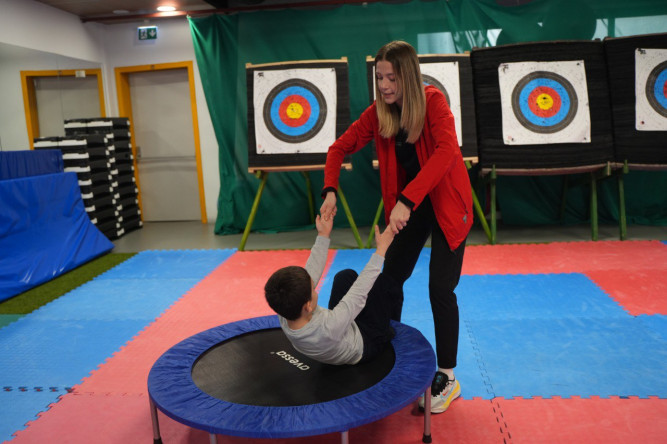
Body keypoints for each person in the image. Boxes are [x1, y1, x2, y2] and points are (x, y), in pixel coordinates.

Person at [319, 41, 473, 413]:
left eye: (392, 77)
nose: (385, 85)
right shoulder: (378, 113)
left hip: (448, 204)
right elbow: (338, 148)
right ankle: (388, 347)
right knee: (389, 281)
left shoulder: (433, 103)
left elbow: (446, 152)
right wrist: (329, 190)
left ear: (409, 75)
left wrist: (407, 199)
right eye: (380, 77)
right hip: (413, 206)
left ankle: (448, 377)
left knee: (440, 288)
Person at [264, 214, 399, 365]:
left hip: (338, 333)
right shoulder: (328, 328)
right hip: (366, 342)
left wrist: (323, 235)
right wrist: (381, 250)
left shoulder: (284, 311)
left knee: (345, 276)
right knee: (383, 283)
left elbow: (311, 272)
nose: (315, 288)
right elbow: (357, 295)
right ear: (307, 306)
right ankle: (386, 332)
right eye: (313, 290)